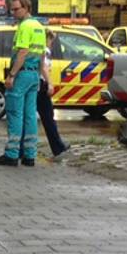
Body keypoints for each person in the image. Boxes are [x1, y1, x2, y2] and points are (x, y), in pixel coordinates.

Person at [0, 0, 45, 167]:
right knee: (30, 115)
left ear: (26, 7)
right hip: (33, 75)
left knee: (14, 113)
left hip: (22, 74)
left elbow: (22, 52)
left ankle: (12, 154)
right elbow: (42, 55)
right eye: (12, 9)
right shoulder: (39, 27)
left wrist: (12, 75)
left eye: (16, 9)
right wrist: (40, 75)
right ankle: (30, 155)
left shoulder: (25, 27)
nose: (13, 12)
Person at [37, 31, 69, 160]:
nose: (52, 43)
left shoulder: (44, 49)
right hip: (41, 85)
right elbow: (43, 67)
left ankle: (58, 146)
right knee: (48, 117)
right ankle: (57, 146)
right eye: (51, 39)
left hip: (40, 84)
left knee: (46, 117)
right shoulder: (43, 50)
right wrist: (50, 84)